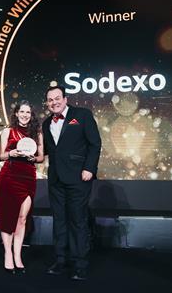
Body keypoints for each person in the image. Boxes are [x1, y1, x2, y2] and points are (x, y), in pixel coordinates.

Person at [42, 86, 101, 281]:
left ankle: (80, 263)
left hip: (78, 177)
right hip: (56, 179)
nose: (54, 102)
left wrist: (89, 169)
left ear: (65, 99)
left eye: (57, 98)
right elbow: (48, 151)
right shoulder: (45, 123)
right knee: (59, 220)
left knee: (78, 220)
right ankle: (60, 260)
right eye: (50, 100)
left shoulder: (82, 115)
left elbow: (94, 143)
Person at [0, 101, 44, 274]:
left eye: (28, 112)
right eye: (21, 111)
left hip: (28, 177)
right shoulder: (8, 131)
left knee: (22, 218)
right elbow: (1, 156)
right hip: (9, 177)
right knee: (8, 216)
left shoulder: (36, 133)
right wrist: (12, 153)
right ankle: (8, 254)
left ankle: (18, 256)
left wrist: (33, 158)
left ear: (31, 115)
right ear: (16, 113)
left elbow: (40, 158)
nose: (24, 115)